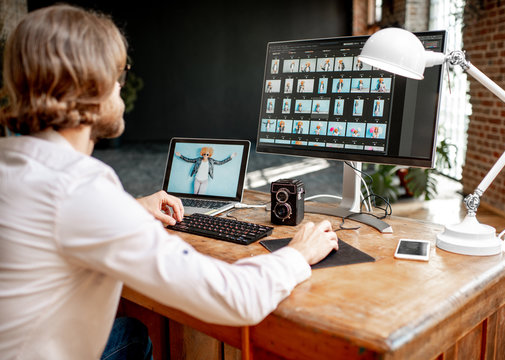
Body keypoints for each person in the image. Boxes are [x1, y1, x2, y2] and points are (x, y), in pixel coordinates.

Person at [0, 5, 338, 360]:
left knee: (131, 333)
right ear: (94, 87)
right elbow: (236, 298)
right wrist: (298, 254)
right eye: (120, 75)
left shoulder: (15, 163)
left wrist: (127, 211)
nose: (120, 88)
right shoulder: (78, 188)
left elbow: (51, 224)